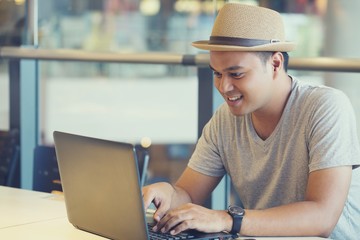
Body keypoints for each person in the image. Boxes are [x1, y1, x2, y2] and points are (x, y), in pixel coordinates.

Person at [142, 3, 360, 239]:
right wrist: (167, 193)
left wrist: (225, 219)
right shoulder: (224, 119)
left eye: (236, 74)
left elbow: (322, 218)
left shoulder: (325, 106)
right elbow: (188, 194)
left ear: (275, 64)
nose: (223, 87)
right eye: (217, 73)